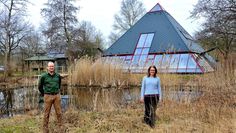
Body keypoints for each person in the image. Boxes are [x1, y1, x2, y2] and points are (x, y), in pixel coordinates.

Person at [38, 61, 63, 133]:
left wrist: (57, 92)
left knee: (59, 112)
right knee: (46, 113)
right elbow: (40, 87)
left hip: (56, 96)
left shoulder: (57, 75)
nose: (51, 67)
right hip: (47, 96)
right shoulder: (43, 76)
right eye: (50, 66)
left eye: (52, 66)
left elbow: (59, 84)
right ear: (47, 68)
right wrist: (44, 94)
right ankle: (45, 129)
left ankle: (60, 127)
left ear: (54, 67)